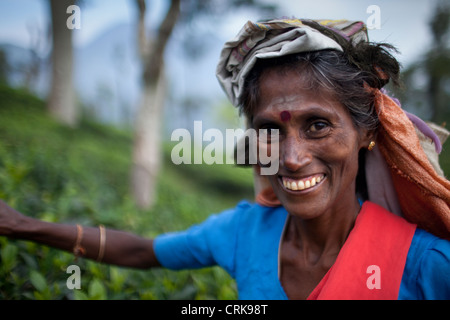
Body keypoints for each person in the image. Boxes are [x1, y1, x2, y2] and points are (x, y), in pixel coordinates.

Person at [1, 18, 450, 300]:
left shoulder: (427, 264)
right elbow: (144, 251)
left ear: (366, 132)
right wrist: (20, 224)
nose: (291, 159)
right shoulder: (244, 233)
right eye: (269, 131)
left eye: (318, 125)